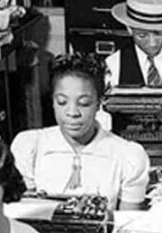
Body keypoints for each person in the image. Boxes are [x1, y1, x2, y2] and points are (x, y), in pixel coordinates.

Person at [11, 53, 150, 209]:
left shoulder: (127, 156)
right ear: (52, 102)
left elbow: (127, 223)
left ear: (99, 103)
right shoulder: (30, 146)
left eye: (84, 103)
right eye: (62, 102)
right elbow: (24, 213)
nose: (72, 113)